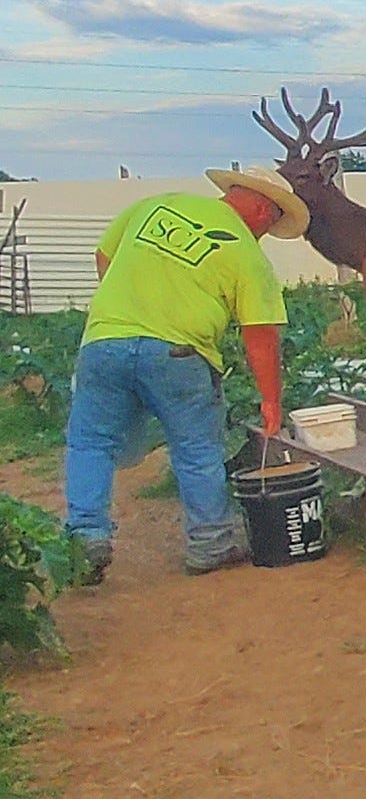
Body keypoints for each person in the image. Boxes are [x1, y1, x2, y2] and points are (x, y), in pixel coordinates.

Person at [63, 169, 304, 582]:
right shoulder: (246, 254)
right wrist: (271, 402)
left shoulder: (157, 205)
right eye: (272, 222)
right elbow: (260, 336)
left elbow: (104, 255)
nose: (267, 232)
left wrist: (132, 312)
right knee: (196, 448)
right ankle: (210, 543)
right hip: (180, 355)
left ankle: (86, 536)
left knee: (91, 441)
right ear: (263, 209)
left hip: (105, 341)